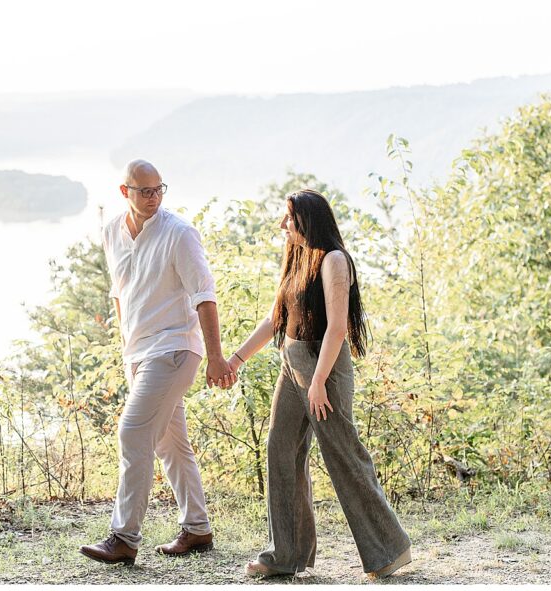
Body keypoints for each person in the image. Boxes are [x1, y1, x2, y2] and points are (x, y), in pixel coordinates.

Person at [226, 189, 412, 579]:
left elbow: (338, 327)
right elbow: (276, 319)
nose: (283, 224)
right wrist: (236, 359)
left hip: (321, 365)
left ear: (308, 220)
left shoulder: (334, 260)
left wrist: (319, 381)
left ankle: (389, 549)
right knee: (281, 450)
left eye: (289, 218)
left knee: (343, 453)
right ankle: (287, 555)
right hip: (291, 361)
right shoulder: (297, 258)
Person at [79, 159, 235, 566]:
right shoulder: (112, 230)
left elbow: (204, 294)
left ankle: (124, 537)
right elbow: (119, 291)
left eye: (158, 190)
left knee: (132, 432)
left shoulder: (179, 234)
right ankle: (198, 529)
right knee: (171, 445)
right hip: (139, 353)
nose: (152, 198)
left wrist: (216, 356)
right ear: (124, 191)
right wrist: (124, 347)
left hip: (175, 348)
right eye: (144, 191)